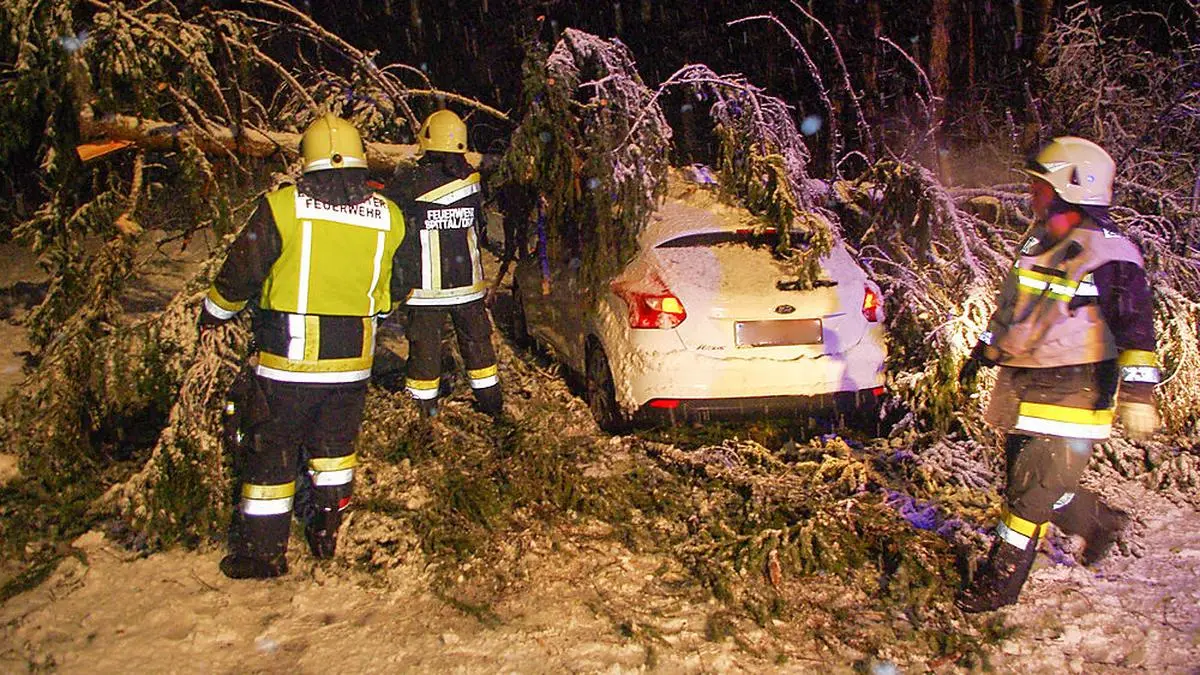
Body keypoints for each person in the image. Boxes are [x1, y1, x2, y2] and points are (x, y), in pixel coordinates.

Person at [955, 136, 1160, 612]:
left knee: (1027, 502)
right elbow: (1014, 309)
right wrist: (981, 354)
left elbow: (1136, 329)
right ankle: (1101, 522)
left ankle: (996, 587)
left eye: (1038, 185)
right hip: (1024, 382)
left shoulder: (1111, 253)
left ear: (1074, 186)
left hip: (1076, 388)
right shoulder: (1039, 240)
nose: (1031, 194)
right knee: (1035, 486)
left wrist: (1139, 393)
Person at [199, 114, 408, 579]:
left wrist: (214, 312)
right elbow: (400, 282)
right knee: (334, 452)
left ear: (307, 162)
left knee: (272, 452)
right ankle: (327, 532)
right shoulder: (388, 216)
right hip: (353, 363)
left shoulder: (283, 208)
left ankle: (261, 553)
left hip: (288, 363)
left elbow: (242, 270)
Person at [390, 109, 502, 418]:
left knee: (424, 354)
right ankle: (493, 407)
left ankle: (423, 415)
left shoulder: (410, 183)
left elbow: (388, 211)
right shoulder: (474, 182)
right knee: (479, 348)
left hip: (426, 291)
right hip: (468, 288)